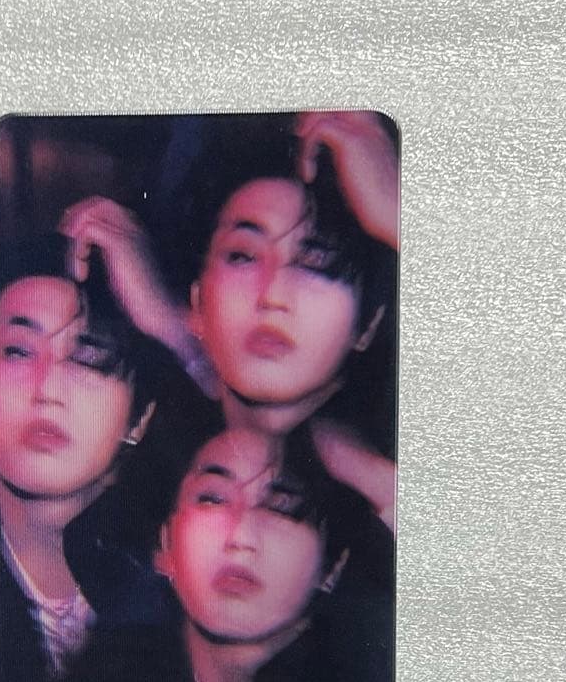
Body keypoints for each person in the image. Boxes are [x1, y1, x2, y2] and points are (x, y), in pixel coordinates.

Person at [58, 112, 398, 531]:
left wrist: (399, 217)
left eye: (314, 262)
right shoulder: (142, 508)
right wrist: (180, 337)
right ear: (197, 303)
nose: (272, 293)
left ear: (368, 322)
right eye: (242, 255)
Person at [58, 428, 377, 682]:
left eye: (279, 506)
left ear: (331, 566)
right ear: (165, 545)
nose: (241, 535)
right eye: (212, 499)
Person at [0, 235, 168, 682]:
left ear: (140, 417)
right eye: (18, 351)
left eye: (87, 357)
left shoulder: (163, 594)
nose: (47, 387)